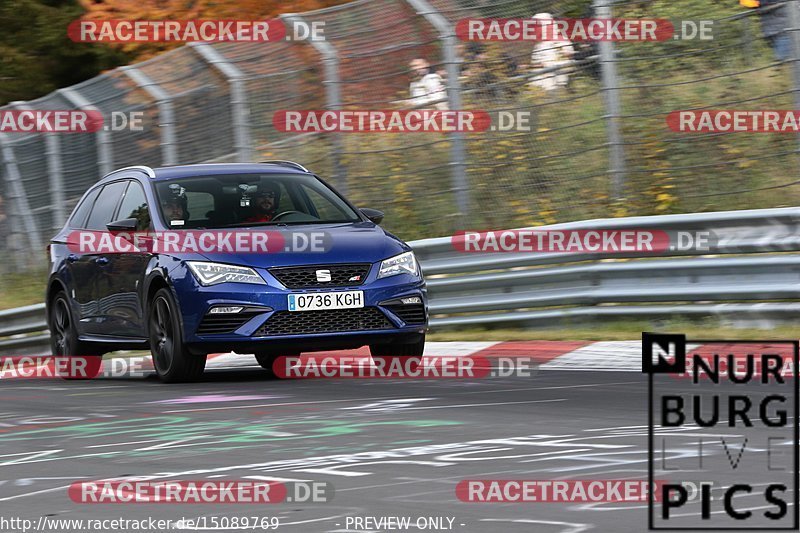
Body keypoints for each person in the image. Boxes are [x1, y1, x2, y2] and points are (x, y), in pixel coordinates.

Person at [529, 12, 576, 91]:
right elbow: (537, 64)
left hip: (557, 78)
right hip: (540, 82)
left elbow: (567, 57)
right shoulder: (539, 45)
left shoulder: (561, 40)